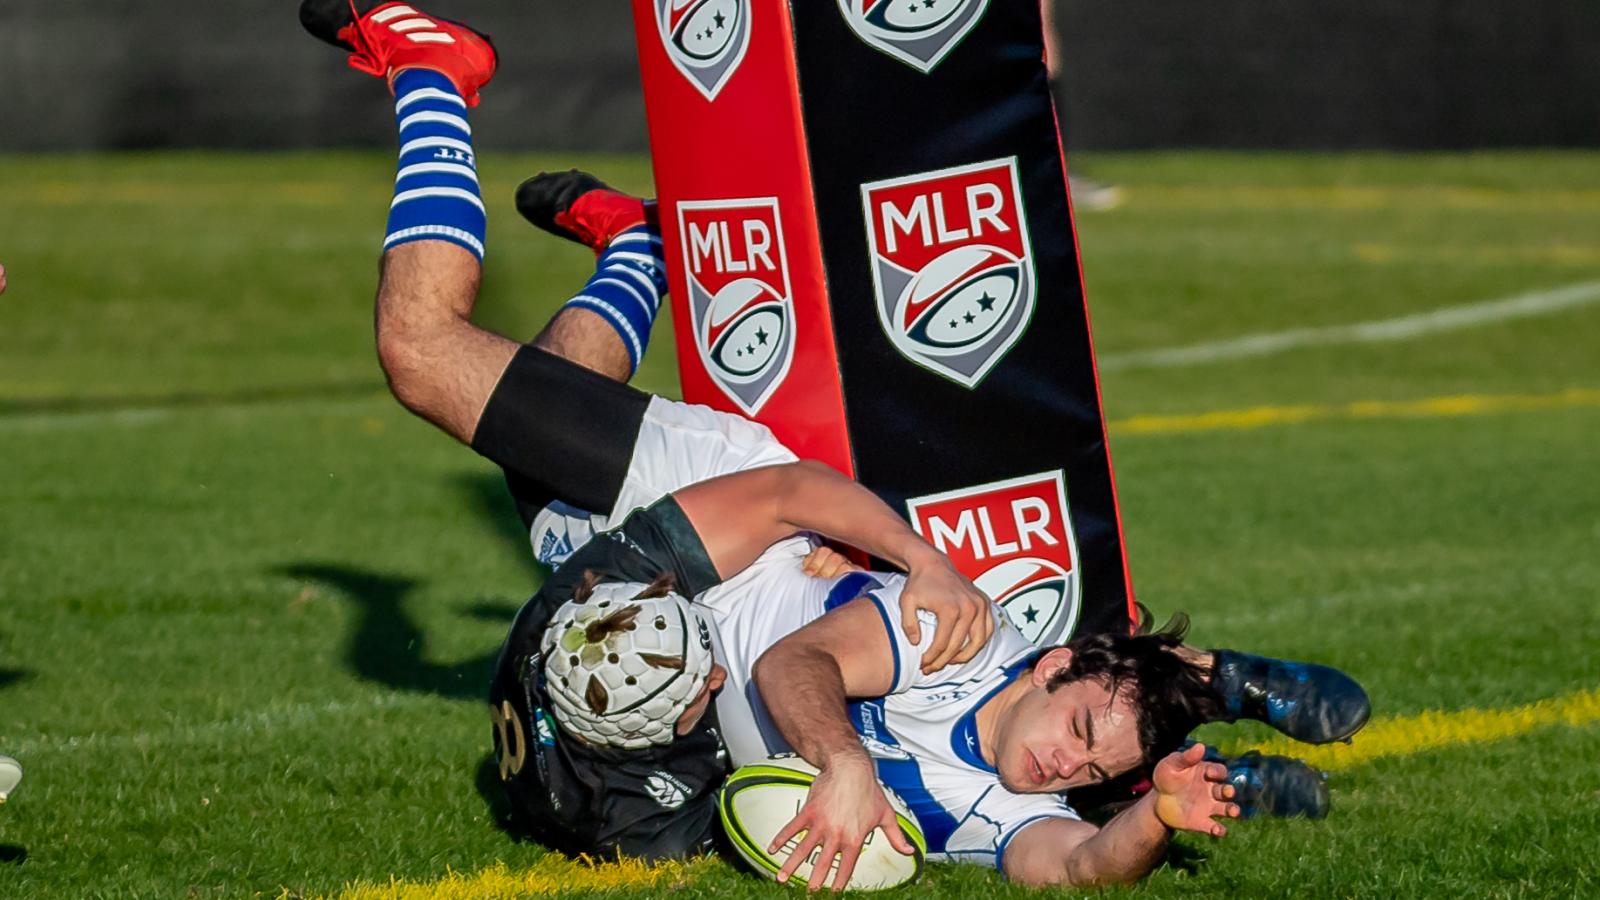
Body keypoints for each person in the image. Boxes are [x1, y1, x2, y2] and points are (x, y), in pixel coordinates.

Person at [299, 0, 1370, 886]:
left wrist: (1156, 823)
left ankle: (639, 246)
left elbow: (1079, 866)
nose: (1059, 762)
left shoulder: (1001, 808)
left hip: (666, 619)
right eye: (1079, 726)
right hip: (711, 513)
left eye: (1089, 766)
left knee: (542, 415)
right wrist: (874, 682)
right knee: (425, 357)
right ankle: (431, 71)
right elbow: (795, 653)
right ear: (1054, 666)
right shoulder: (953, 642)